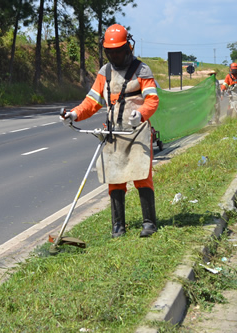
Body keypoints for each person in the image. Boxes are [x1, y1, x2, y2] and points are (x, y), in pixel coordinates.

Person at [60, 24, 159, 238]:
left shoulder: (142, 71)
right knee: (114, 177)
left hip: (138, 132)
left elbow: (152, 100)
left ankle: (149, 223)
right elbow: (92, 101)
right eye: (110, 51)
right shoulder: (104, 73)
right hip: (114, 133)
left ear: (128, 48)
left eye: (118, 51)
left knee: (142, 175)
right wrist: (75, 114)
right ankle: (118, 227)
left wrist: (141, 114)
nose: (114, 56)